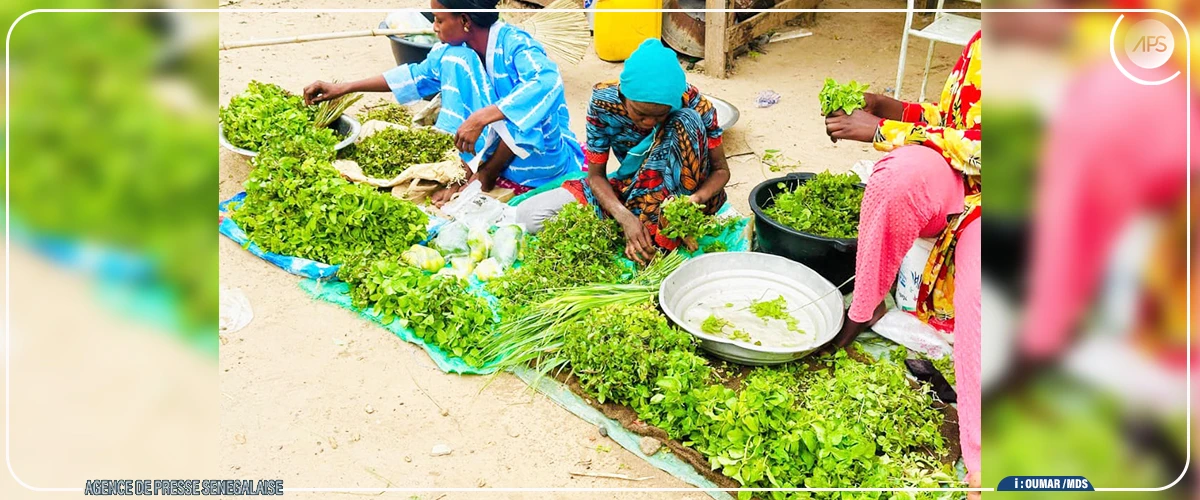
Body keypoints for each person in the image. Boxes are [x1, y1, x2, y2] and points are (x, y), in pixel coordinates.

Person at [822, 31, 982, 494]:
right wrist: (893, 107)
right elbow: (959, 122)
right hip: (963, 178)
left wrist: (884, 131)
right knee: (895, 180)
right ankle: (865, 306)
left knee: (982, 301)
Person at [302, 0, 583, 204]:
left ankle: (484, 172)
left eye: (438, 19)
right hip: (486, 148)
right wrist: (343, 88)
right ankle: (475, 167)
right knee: (454, 61)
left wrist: (482, 120)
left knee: (527, 103)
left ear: (464, 20)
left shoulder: (516, 45)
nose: (434, 27)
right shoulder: (457, 50)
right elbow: (418, 76)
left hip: (533, 161)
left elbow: (547, 82)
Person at [514, 39, 730, 264]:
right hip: (632, 189)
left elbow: (722, 171)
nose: (648, 122)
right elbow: (595, 175)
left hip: (683, 197)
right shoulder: (604, 104)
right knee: (529, 216)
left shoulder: (696, 106)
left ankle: (665, 232)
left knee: (687, 120)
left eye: (659, 116)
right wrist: (624, 217)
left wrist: (693, 201)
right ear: (623, 96)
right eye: (640, 113)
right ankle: (642, 226)